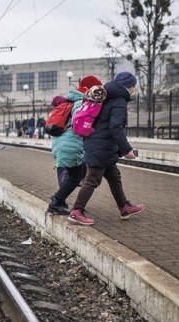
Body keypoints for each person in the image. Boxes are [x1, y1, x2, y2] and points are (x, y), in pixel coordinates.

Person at [68, 71, 145, 225]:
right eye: (133, 86)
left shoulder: (105, 97)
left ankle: (124, 207)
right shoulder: (118, 101)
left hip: (98, 144)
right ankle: (76, 211)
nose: (133, 90)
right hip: (101, 146)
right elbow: (115, 127)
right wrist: (126, 149)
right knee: (92, 180)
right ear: (128, 86)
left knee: (114, 177)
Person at [48, 75, 102, 215]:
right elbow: (79, 122)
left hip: (62, 143)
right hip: (70, 144)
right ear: (91, 89)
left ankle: (58, 201)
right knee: (75, 177)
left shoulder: (72, 99)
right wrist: (90, 129)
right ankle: (56, 202)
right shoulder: (80, 101)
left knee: (75, 175)